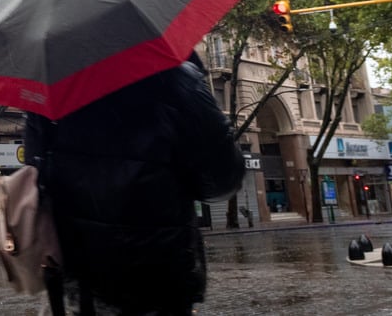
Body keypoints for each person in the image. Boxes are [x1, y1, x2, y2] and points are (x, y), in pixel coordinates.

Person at [23, 52, 243, 316]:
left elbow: (38, 172)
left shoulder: (48, 86)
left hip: (81, 280)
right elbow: (223, 180)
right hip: (161, 277)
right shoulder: (178, 78)